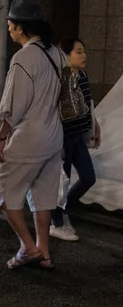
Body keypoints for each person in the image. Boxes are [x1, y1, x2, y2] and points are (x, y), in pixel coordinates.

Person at [0, 0, 64, 270]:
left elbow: (14, 105)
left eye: (10, 24)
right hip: (53, 136)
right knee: (43, 195)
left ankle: (28, 247)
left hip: (28, 139)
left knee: (3, 191)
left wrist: (1, 138)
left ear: (21, 28)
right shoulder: (55, 53)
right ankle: (44, 252)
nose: (9, 28)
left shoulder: (23, 57)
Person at [50, 39, 99, 241]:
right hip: (64, 136)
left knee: (88, 177)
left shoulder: (83, 76)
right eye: (79, 52)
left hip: (78, 135)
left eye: (84, 51)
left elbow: (89, 103)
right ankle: (57, 223)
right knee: (62, 181)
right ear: (67, 55)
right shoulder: (61, 78)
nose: (84, 55)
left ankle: (63, 210)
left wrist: (95, 127)